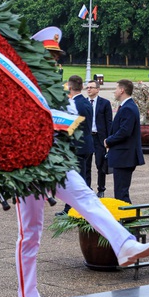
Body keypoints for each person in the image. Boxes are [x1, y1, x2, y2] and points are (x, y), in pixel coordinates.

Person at [13, 29, 149, 297]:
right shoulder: (19, 84)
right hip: (27, 168)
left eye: (55, 58)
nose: (54, 63)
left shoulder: (59, 91)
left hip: (57, 162)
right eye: (48, 57)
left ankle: (125, 244)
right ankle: (28, 295)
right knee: (30, 235)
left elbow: (69, 123)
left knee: (89, 200)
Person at [57, 75, 94, 216]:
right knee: (82, 178)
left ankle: (72, 209)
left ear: (70, 88)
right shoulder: (85, 102)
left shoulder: (74, 105)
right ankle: (75, 208)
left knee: (74, 180)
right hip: (86, 144)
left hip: (76, 147)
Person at [105, 79, 144, 203]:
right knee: (120, 191)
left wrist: (108, 141)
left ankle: (128, 218)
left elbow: (124, 132)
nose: (115, 92)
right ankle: (126, 218)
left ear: (122, 90)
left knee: (121, 193)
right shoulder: (127, 106)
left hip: (124, 157)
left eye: (116, 89)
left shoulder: (128, 108)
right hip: (123, 156)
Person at [86, 80, 113, 198]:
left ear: (97, 89)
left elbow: (109, 122)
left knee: (100, 164)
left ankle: (101, 189)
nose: (88, 89)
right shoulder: (84, 103)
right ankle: (87, 188)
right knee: (86, 164)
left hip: (99, 137)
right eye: (87, 87)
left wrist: (109, 139)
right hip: (87, 137)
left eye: (91, 87)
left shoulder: (105, 103)